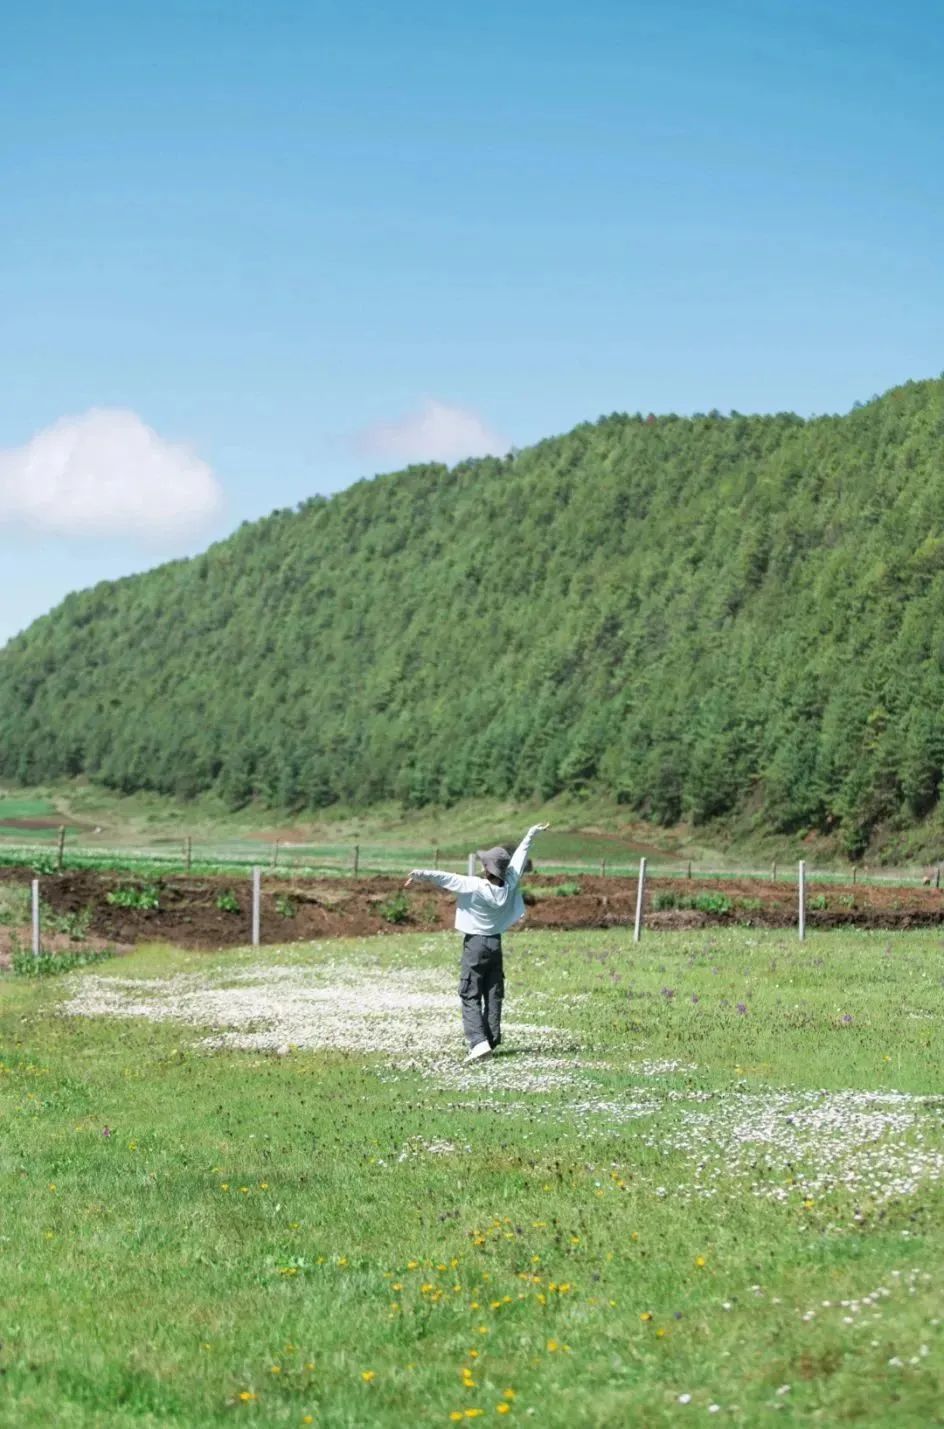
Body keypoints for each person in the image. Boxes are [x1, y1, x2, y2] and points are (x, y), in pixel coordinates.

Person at [405, 823, 550, 1062]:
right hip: (495, 943)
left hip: (475, 945)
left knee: (470, 992)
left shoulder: (475, 885)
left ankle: (478, 1042)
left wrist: (418, 874)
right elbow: (520, 857)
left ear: (487, 868)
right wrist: (531, 834)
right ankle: (491, 1039)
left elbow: (445, 878)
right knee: (493, 991)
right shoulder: (511, 882)